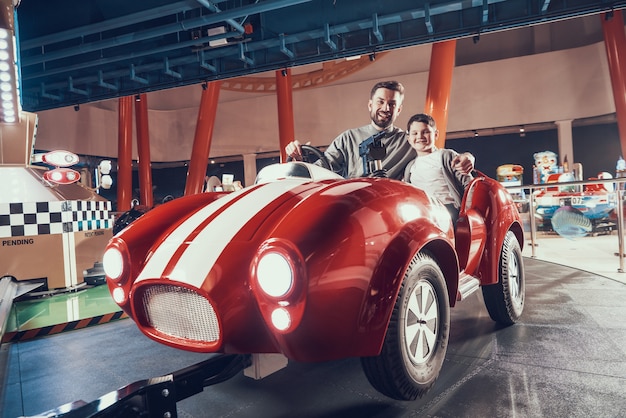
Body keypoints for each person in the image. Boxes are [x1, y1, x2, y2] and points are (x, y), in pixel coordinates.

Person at [285, 80, 474, 180]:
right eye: (380, 102)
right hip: (350, 202)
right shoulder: (348, 138)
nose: (385, 108)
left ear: (398, 109)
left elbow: (439, 156)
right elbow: (322, 169)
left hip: (387, 207)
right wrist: (299, 157)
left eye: (392, 104)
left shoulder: (407, 141)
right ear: (370, 105)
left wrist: (467, 157)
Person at [403, 113, 473, 223]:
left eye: (425, 132)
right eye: (415, 133)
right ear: (409, 138)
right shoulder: (410, 167)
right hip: (422, 214)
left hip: (448, 210)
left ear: (435, 134)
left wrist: (468, 213)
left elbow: (469, 184)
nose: (420, 136)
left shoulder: (446, 156)